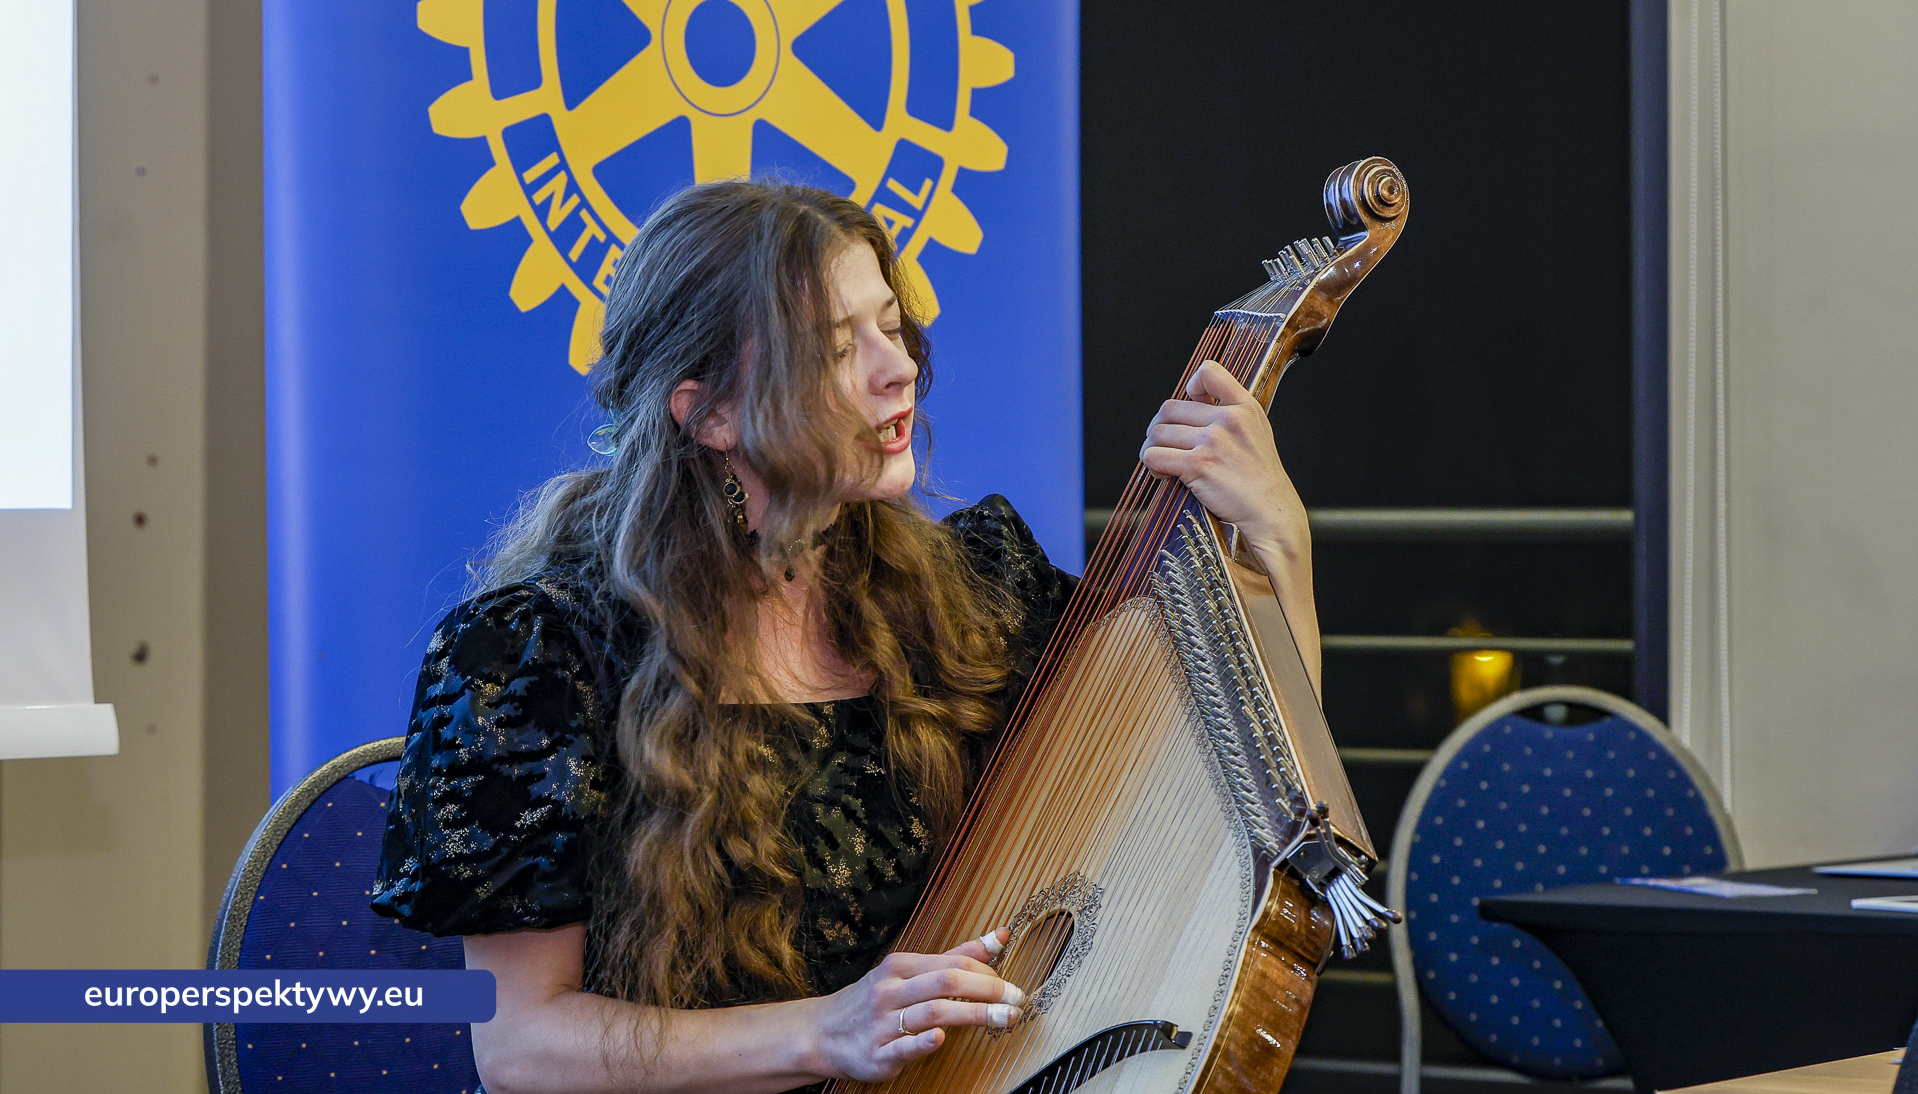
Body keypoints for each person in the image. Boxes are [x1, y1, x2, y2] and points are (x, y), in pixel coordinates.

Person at [372, 180, 1323, 1094]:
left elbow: (1242, 796)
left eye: (890, 323)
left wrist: (1280, 540)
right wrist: (829, 1029)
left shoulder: (969, 595)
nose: (898, 364)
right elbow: (522, 1047)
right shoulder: (537, 656)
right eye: (835, 347)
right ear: (707, 411)